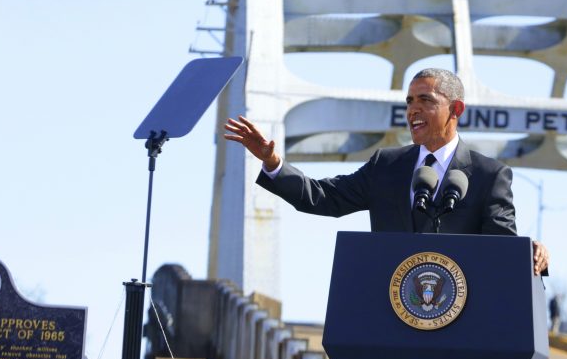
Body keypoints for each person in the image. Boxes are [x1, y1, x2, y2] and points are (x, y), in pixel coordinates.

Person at [223, 68, 550, 275]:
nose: (413, 110)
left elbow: (502, 251)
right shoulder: (387, 165)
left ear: (456, 110)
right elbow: (325, 198)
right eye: (409, 102)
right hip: (387, 313)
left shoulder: (489, 175)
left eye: (425, 100)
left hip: (460, 320)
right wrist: (272, 164)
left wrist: (530, 254)